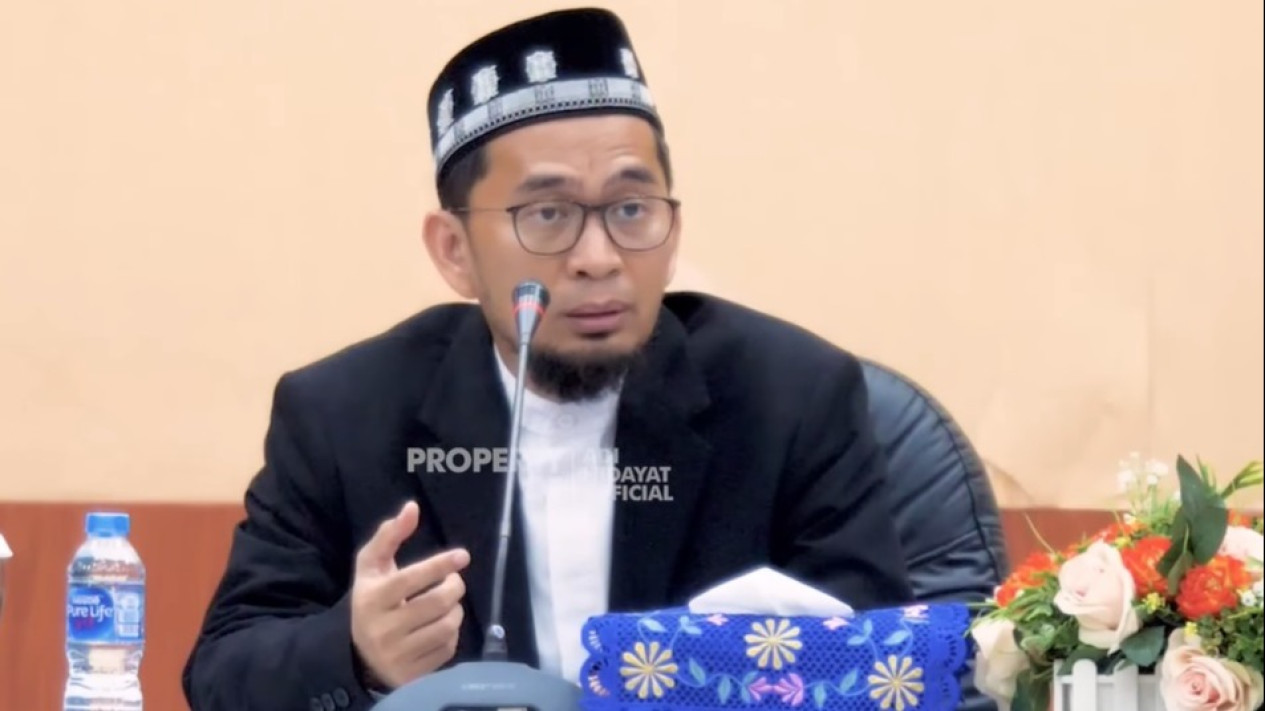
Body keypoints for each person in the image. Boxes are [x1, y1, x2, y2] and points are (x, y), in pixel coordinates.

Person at [181, 7, 914, 710]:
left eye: (631, 209)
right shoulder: (343, 415)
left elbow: (887, 673)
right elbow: (221, 674)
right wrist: (357, 654)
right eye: (548, 215)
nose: (598, 258)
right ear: (455, 251)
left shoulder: (791, 399)